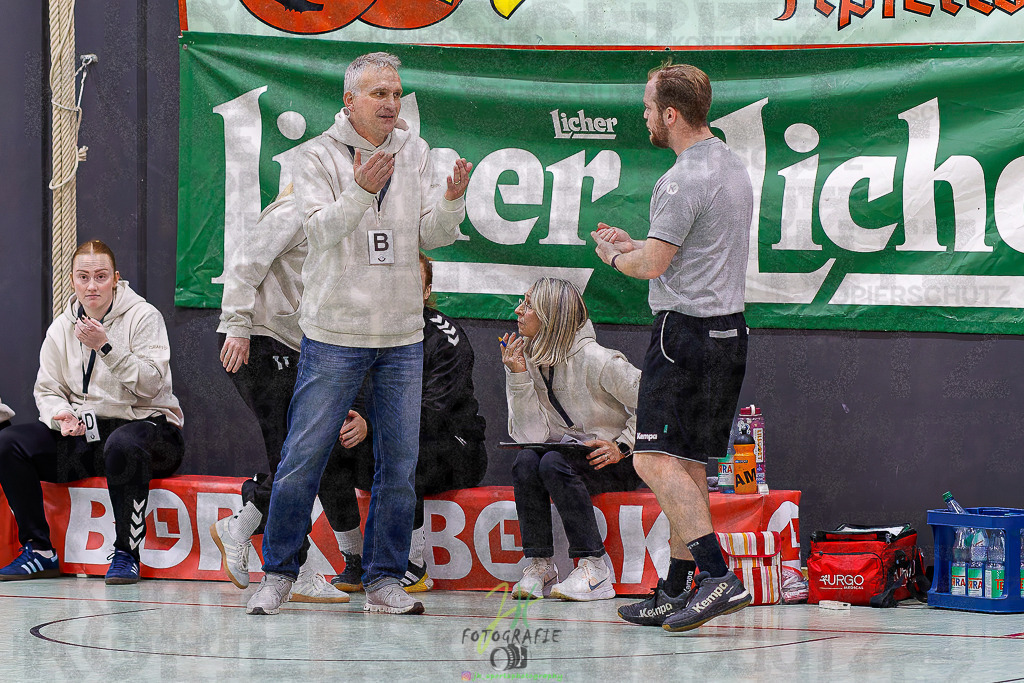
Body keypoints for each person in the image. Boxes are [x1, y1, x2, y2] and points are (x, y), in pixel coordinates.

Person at [245, 51, 472, 616]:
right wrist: (359, 190)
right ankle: (278, 574)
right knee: (302, 458)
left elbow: (433, 237)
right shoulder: (313, 156)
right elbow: (317, 232)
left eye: (396, 94)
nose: (392, 105)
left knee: (399, 464)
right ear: (349, 100)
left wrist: (451, 202)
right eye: (379, 95)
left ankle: (385, 581)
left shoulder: (414, 152)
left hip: (399, 336)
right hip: (334, 333)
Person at [592, 63, 754, 632]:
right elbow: (687, 251)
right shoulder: (732, 164)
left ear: (670, 114)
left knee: (651, 458)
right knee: (685, 464)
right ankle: (679, 585)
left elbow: (652, 266)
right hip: (728, 332)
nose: (642, 116)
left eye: (646, 106)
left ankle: (716, 575)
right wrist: (638, 244)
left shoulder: (682, 178)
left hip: (684, 335)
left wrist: (615, 255)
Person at [0, 240, 184, 584]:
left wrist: (106, 347)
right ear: (72, 281)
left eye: (100, 277)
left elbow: (151, 385)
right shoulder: (60, 328)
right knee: (9, 442)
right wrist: (61, 414)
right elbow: (47, 389)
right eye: (83, 277)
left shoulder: (144, 317)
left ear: (115, 279)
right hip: (91, 437)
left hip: (151, 433)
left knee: (122, 444)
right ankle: (39, 552)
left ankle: (127, 554)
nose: (92, 286)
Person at [210, 186, 354, 604]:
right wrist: (237, 323)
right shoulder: (295, 207)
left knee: (299, 460)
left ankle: (296, 566)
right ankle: (241, 526)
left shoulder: (336, 218)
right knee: (297, 461)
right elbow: (245, 261)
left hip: (294, 344)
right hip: (261, 339)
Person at [320, 252, 488, 593]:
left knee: (402, 450)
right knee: (324, 452)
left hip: (454, 446)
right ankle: (354, 559)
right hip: (381, 434)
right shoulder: (367, 329)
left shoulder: (446, 336)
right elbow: (345, 386)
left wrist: (372, 426)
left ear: (426, 291)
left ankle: (413, 563)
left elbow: (435, 412)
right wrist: (349, 420)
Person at [501, 277, 642, 602]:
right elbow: (531, 436)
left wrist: (623, 445)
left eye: (528, 305)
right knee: (526, 460)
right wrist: (519, 376)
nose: (518, 310)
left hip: (616, 460)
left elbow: (655, 400)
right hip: (568, 456)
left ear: (551, 316)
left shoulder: (598, 360)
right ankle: (540, 564)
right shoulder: (530, 358)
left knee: (551, 461)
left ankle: (595, 568)